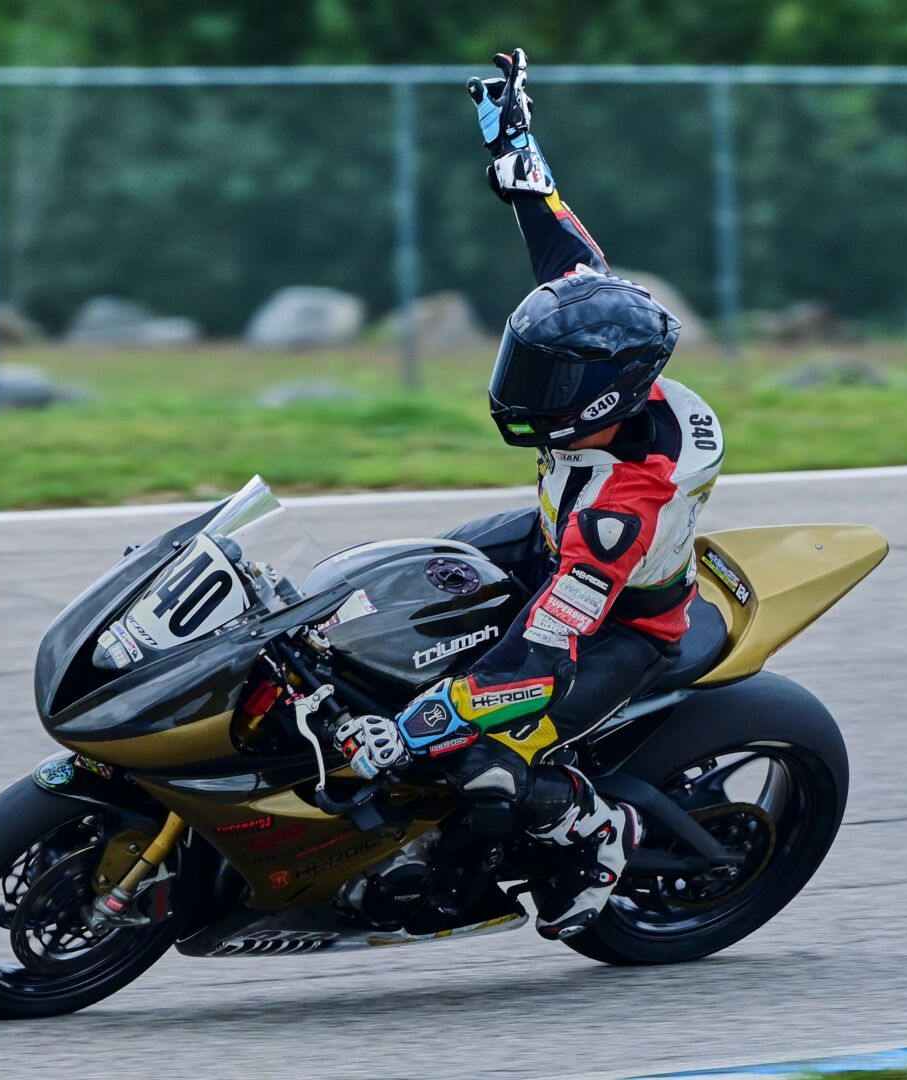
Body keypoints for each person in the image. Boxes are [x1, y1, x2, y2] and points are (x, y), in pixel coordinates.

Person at [335, 49, 724, 940]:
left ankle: (593, 834)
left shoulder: (624, 503)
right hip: (548, 541)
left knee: (478, 760)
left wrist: (420, 725)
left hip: (617, 622)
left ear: (604, 400)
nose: (526, 387)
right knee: (408, 582)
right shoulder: (595, 312)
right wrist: (509, 126)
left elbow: (541, 651)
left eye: (549, 379)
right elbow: (545, 213)